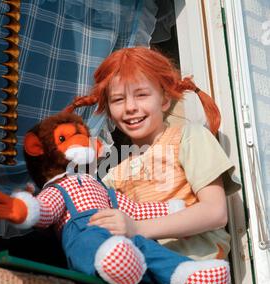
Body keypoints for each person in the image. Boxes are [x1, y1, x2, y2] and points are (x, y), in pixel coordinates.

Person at [67, 46, 241, 261]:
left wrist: (137, 228)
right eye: (118, 100)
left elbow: (215, 212)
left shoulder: (189, 138)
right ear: (110, 111)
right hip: (144, 271)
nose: (130, 107)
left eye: (141, 95)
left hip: (195, 265)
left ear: (165, 99)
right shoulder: (115, 174)